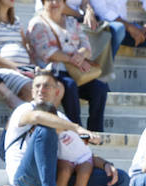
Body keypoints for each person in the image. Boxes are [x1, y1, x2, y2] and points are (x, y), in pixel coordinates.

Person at [3, 71, 128, 186]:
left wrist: (105, 164)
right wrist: (77, 128)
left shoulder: (61, 118)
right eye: (37, 86)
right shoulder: (24, 109)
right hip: (25, 176)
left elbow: (78, 151)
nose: (41, 89)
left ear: (57, 91)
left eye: (46, 86)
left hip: (57, 176)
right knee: (46, 128)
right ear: (32, 90)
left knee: (121, 178)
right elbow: (37, 116)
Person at [28, 0, 108, 133]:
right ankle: (76, 130)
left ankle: (96, 130)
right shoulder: (37, 23)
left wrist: (81, 55)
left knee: (100, 88)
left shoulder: (72, 22)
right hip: (53, 72)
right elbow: (46, 52)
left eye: (58, 0)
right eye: (50, 0)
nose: (55, 3)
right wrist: (73, 59)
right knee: (69, 86)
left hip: (76, 72)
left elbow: (86, 47)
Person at [69, 0, 146, 95]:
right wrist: (130, 27)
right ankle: (103, 83)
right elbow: (101, 10)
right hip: (103, 25)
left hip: (126, 26)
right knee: (119, 29)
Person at [0, 0, 39, 100]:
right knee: (33, 89)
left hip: (23, 70)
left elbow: (25, 49)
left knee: (55, 86)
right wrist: (18, 68)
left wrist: (33, 68)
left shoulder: (16, 21)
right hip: (1, 70)